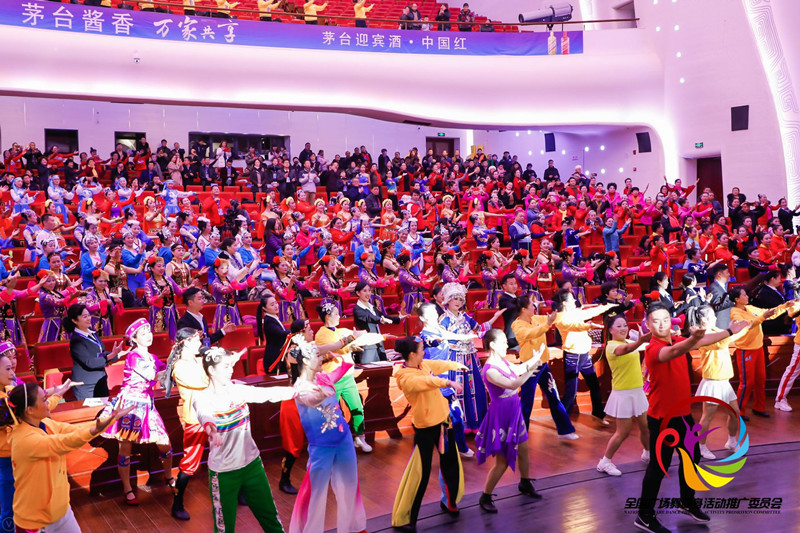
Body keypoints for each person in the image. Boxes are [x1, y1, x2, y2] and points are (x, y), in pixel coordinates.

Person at [634, 304, 747, 533]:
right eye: (656, 321)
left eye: (666, 319)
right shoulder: (654, 349)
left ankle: (686, 501)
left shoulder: (676, 341)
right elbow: (677, 351)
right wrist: (695, 338)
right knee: (659, 467)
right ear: (648, 325)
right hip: (663, 420)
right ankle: (644, 516)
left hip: (683, 416)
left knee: (692, 457)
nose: (662, 324)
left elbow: (700, 341)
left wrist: (729, 331)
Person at [6, 382, 132, 533]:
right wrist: (94, 430)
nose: (48, 403)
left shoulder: (44, 423)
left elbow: (74, 429)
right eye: (44, 400)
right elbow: (64, 442)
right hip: (35, 520)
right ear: (30, 410)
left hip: (60, 511)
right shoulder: (24, 439)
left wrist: (111, 419)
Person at [194, 346, 294, 532]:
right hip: (223, 472)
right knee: (224, 528)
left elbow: (268, 394)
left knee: (270, 518)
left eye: (231, 365)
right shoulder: (202, 397)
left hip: (252, 465)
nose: (231, 370)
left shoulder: (238, 390)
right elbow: (203, 414)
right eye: (225, 367)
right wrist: (211, 429)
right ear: (211, 370)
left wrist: (298, 390)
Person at [289, 325, 368, 533]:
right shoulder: (300, 387)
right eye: (317, 355)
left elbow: (338, 373)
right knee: (315, 492)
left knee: (349, 483)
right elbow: (311, 399)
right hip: (321, 447)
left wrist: (344, 359)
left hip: (343, 438)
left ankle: (354, 527)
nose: (321, 357)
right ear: (306, 361)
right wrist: (322, 394)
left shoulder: (323, 377)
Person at [391, 336, 466, 532]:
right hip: (425, 430)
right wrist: (447, 382)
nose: (424, 352)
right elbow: (426, 381)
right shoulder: (405, 377)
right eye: (421, 349)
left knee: (450, 465)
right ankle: (407, 518)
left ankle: (449, 502)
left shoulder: (422, 364)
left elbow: (437, 365)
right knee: (420, 474)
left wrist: (455, 364)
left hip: (443, 424)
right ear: (412, 354)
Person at [98, 319, 174, 505]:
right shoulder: (133, 356)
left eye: (149, 331)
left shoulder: (152, 357)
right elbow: (153, 375)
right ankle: (127, 488)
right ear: (134, 338)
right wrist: (169, 369)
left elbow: (167, 373)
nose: (148, 335)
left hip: (147, 404)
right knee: (125, 446)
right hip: (130, 405)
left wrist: (175, 361)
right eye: (143, 333)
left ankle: (169, 476)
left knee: (164, 442)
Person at [476, 329, 544, 513]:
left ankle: (525, 483)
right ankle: (485, 496)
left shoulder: (503, 362)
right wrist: (532, 370)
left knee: (523, 448)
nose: (507, 345)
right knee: (503, 461)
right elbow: (513, 384)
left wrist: (535, 358)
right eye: (504, 342)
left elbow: (519, 369)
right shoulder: (490, 370)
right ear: (492, 345)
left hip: (514, 410)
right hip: (502, 416)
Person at [439, 282, 504, 435]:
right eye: (454, 298)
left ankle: (476, 424)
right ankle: (459, 425)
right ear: (448, 300)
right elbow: (442, 336)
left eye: (460, 299)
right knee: (459, 391)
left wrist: (494, 318)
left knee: (476, 389)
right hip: (455, 358)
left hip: (470, 357)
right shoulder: (443, 319)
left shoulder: (465, 317)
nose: (458, 302)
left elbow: (480, 330)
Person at [511, 295, 577, 439]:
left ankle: (565, 430)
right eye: (531, 305)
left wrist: (570, 312)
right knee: (526, 402)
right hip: (530, 368)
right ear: (524, 309)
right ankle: (521, 435)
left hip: (543, 365)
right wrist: (547, 324)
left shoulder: (536, 319)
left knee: (553, 396)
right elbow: (532, 333)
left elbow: (555, 318)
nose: (534, 307)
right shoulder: (517, 325)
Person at [688, 305, 749, 460]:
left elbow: (730, 338)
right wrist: (734, 330)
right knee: (707, 417)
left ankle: (731, 441)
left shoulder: (717, 331)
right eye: (712, 315)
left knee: (735, 413)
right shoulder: (703, 336)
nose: (716, 317)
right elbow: (722, 343)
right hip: (712, 382)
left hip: (724, 381)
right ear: (704, 319)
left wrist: (748, 325)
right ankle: (701, 447)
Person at [314, 302, 373, 453]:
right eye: (336, 313)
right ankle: (335, 444)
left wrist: (352, 346)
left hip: (347, 376)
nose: (339, 316)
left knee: (357, 407)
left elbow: (343, 346)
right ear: (328, 317)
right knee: (333, 413)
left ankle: (360, 437)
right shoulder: (321, 334)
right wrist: (352, 340)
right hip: (332, 378)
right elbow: (335, 348)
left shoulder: (339, 331)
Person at [596, 315, 651, 477]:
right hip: (623, 393)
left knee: (646, 426)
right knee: (623, 431)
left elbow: (640, 346)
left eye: (625, 325)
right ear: (610, 330)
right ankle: (605, 462)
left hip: (637, 391)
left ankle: (648, 453)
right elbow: (626, 350)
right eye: (619, 326)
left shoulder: (629, 341)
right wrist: (640, 341)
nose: (623, 329)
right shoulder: (611, 346)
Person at [552, 289, 615, 422]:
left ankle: (598, 413)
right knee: (571, 391)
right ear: (564, 303)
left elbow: (590, 312)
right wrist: (588, 326)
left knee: (594, 385)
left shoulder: (576, 313)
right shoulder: (560, 318)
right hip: (572, 356)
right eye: (571, 299)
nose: (575, 301)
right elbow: (575, 326)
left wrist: (607, 306)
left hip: (584, 355)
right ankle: (563, 421)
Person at [163, 328, 206, 521]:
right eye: (196, 340)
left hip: (215, 412)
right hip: (196, 418)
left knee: (227, 453)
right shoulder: (179, 367)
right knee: (190, 462)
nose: (200, 343)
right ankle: (177, 503)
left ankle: (236, 491)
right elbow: (203, 382)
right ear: (187, 342)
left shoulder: (199, 360)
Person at [729, 286, 790, 418]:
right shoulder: (734, 312)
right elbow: (746, 324)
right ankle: (738, 412)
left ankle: (759, 407)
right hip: (746, 350)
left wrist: (784, 306)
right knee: (746, 383)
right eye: (744, 295)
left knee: (760, 380)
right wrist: (762, 317)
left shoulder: (750, 308)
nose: (747, 297)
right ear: (737, 299)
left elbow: (767, 313)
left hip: (758, 348)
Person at [66, 303, 124, 400]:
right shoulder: (76, 341)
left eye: (89, 315)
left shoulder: (92, 333)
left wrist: (116, 354)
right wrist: (110, 356)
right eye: (85, 317)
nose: (89, 318)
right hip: (86, 384)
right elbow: (89, 362)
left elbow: (100, 353)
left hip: (101, 379)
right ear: (74, 320)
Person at [352, 281, 401, 363]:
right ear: (358, 293)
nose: (368, 293)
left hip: (378, 342)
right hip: (367, 344)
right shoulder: (357, 309)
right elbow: (369, 317)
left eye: (369, 290)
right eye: (365, 291)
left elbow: (383, 316)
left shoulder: (372, 307)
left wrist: (398, 319)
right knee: (368, 366)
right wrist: (380, 320)